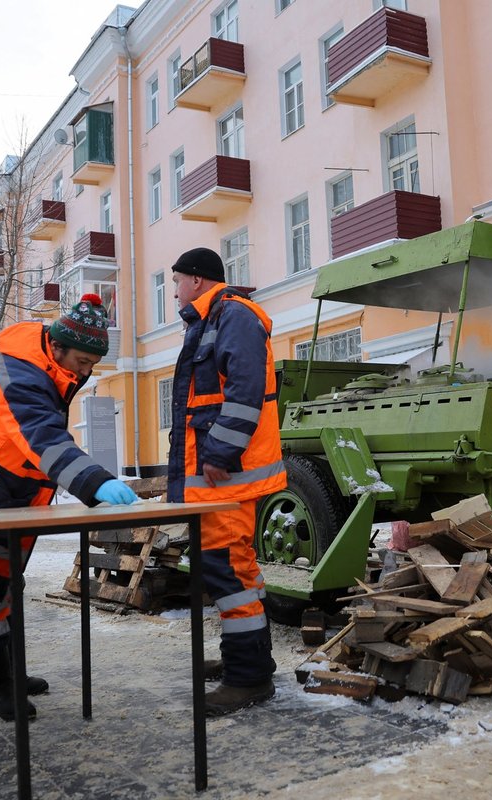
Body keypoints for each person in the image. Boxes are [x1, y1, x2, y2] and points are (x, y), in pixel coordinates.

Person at [0, 294, 138, 720]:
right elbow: (42, 438)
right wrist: (97, 482)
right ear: (58, 346)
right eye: (82, 360)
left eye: (93, 363)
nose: (86, 371)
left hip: (2, 501)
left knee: (5, 590)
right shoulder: (21, 372)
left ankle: (7, 673)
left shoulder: (45, 364)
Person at [167, 247, 287, 715]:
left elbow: (244, 390)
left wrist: (219, 450)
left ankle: (249, 679)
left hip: (226, 475)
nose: (175, 289)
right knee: (236, 569)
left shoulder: (232, 314)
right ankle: (251, 657)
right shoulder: (213, 317)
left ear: (196, 280)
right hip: (220, 477)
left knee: (228, 571)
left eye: (177, 280)